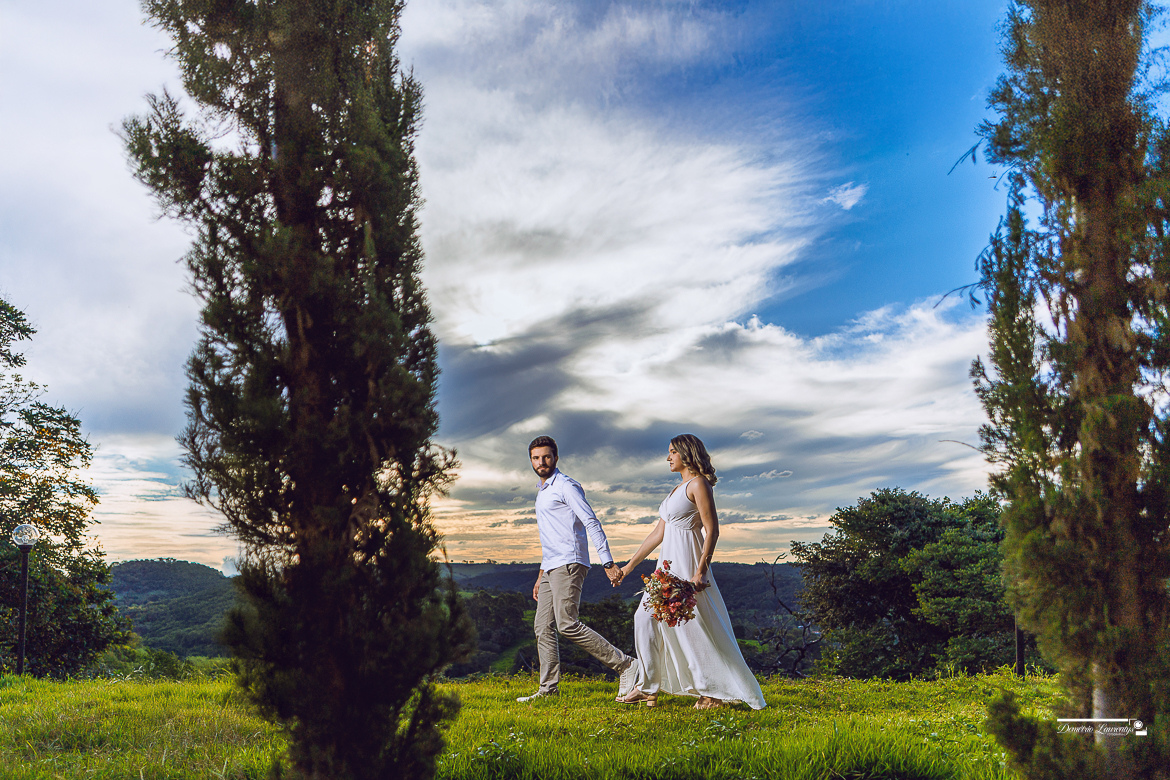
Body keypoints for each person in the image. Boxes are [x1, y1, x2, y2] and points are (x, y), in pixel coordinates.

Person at [615, 434, 766, 710]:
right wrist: (629, 566)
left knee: (692, 628)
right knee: (644, 618)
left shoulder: (699, 484)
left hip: (688, 564)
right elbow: (657, 534)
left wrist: (701, 571)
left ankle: (712, 693)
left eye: (673, 452)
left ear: (686, 453)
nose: (668, 457)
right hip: (666, 567)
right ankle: (648, 686)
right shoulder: (676, 490)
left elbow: (712, 529)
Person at [516, 435, 640, 702]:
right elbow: (550, 537)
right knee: (542, 627)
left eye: (546, 457)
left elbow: (591, 521)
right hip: (551, 566)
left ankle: (626, 665)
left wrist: (607, 562)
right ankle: (548, 690)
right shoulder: (543, 491)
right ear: (531, 461)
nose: (541, 462)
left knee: (567, 624)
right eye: (536, 458)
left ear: (556, 457)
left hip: (570, 563)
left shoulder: (566, 486)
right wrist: (540, 575)